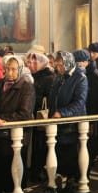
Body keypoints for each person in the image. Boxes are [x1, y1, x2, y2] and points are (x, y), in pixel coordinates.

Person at [0, 55, 35, 193]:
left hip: (14, 134)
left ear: (20, 70)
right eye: (7, 69)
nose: (9, 72)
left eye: (13, 69)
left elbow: (25, 112)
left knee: (11, 165)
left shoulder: (26, 86)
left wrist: (3, 119)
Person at [48, 51, 88, 193]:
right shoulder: (60, 77)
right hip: (58, 123)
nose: (59, 68)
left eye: (61, 65)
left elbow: (79, 102)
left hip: (71, 124)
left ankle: (71, 183)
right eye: (57, 65)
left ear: (68, 63)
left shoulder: (80, 78)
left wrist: (62, 113)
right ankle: (60, 182)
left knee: (70, 154)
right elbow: (54, 96)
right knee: (58, 152)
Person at [28, 52, 55, 183]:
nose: (32, 64)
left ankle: (39, 172)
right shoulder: (32, 76)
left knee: (41, 145)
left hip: (42, 116)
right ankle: (34, 171)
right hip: (32, 115)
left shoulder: (48, 77)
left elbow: (49, 99)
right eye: (30, 62)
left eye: (35, 62)